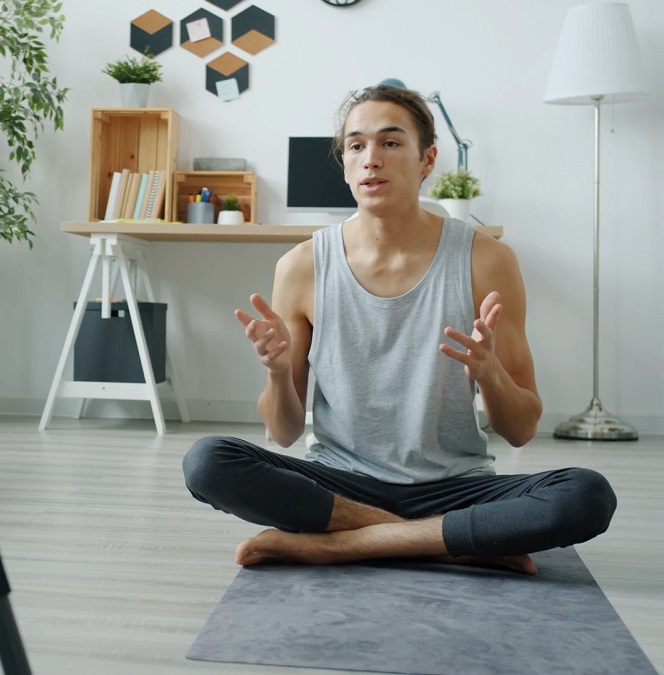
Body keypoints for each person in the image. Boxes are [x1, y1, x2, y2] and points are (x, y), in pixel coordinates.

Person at [182, 84, 616, 575]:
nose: (371, 159)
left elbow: (521, 430)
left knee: (587, 495)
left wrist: (491, 373)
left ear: (427, 160)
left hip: (456, 486)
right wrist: (280, 374)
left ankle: (342, 545)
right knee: (207, 462)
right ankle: (443, 542)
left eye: (390, 143)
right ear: (345, 164)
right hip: (340, 484)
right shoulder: (301, 266)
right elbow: (283, 433)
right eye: (356, 145)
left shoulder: (486, 260)